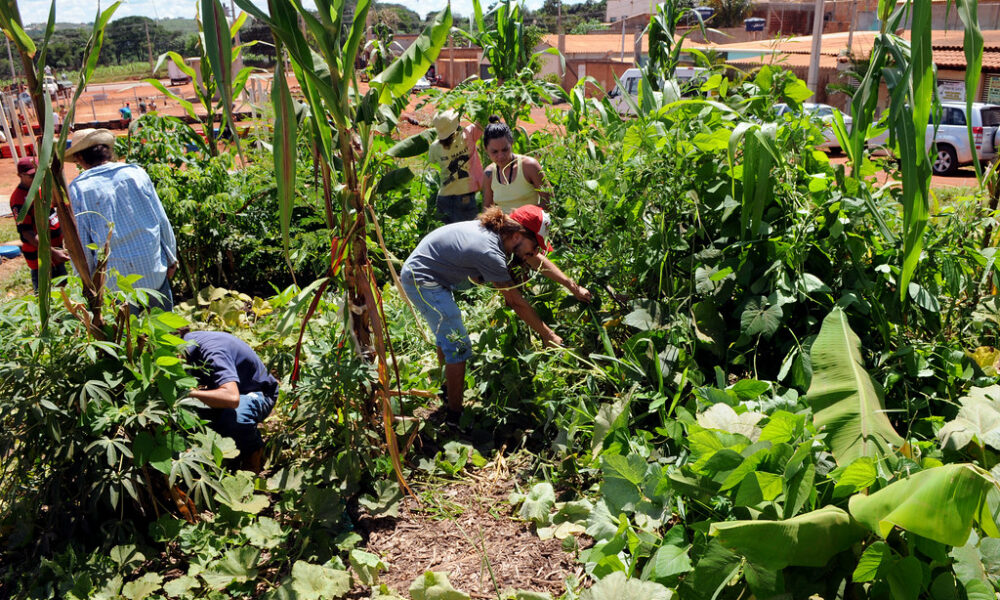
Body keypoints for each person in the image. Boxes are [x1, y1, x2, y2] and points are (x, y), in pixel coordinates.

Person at [399, 204, 591, 421]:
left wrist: (572, 286)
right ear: (518, 235)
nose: (534, 253)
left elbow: (533, 258)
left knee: (447, 334)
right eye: (534, 245)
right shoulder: (489, 251)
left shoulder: (500, 235)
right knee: (458, 345)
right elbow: (515, 302)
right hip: (423, 280)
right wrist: (549, 336)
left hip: (430, 274)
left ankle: (445, 390)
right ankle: (454, 416)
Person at [66, 128, 178, 310]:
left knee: (129, 336)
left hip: (117, 287)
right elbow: (161, 220)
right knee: (166, 332)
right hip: (154, 271)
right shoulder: (136, 173)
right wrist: (172, 258)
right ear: (107, 151)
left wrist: (86, 283)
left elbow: (82, 245)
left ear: (80, 158)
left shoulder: (79, 189)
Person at [182, 330, 279, 472]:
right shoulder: (188, 342)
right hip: (229, 390)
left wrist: (188, 394)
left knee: (235, 418)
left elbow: (232, 398)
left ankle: (253, 454)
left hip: (257, 391)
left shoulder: (212, 351)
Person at [9, 157, 69, 291]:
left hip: (56, 252)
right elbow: (27, 233)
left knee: (63, 292)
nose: (36, 177)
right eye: (31, 176)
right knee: (45, 294)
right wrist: (52, 252)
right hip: (41, 256)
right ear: (20, 175)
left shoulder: (40, 189)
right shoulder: (19, 199)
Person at [481, 116, 550, 213]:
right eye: (494, 152)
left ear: (511, 143)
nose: (500, 156)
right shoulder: (489, 174)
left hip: (531, 226)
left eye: (505, 150)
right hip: (504, 227)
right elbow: (487, 209)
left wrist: (530, 221)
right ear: (486, 150)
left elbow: (548, 200)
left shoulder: (529, 166)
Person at [428, 109, 484, 223]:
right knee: (468, 234)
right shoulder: (467, 135)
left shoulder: (435, 147)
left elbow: (432, 160)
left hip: (444, 197)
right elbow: (483, 118)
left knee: (448, 236)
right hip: (465, 197)